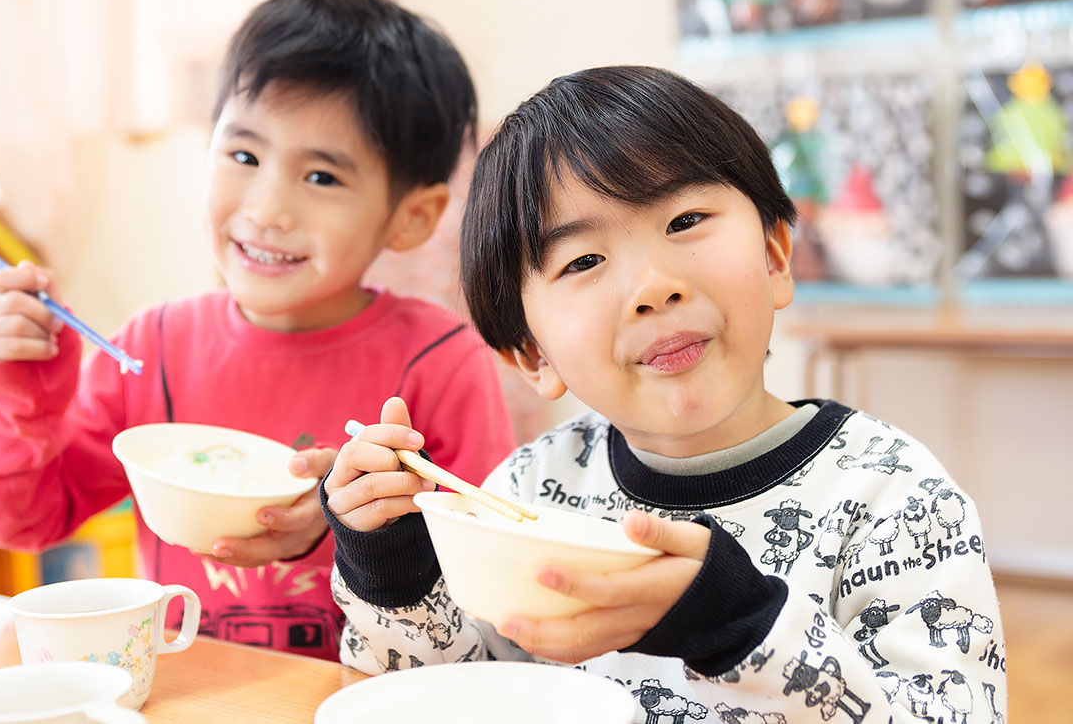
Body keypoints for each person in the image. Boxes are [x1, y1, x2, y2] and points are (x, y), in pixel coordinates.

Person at [323, 66, 1006, 722]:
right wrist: (392, 569)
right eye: (583, 260)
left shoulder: (897, 498)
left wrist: (739, 624)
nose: (654, 287)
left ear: (774, 256)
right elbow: (450, 694)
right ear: (533, 352)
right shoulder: (530, 491)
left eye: (683, 221)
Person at [0, 0, 516, 662]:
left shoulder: (439, 360)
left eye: (323, 177)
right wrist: (20, 397)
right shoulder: (151, 345)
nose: (267, 208)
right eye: (244, 157)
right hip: (191, 691)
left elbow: (492, 579)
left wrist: (355, 524)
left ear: (411, 216)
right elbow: (20, 518)